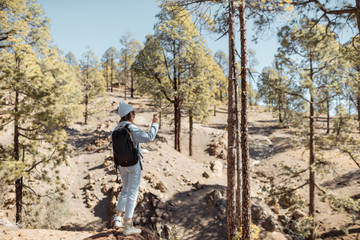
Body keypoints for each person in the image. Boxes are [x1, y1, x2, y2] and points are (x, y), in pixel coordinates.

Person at [110, 101, 159, 235]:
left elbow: (112, 142)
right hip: (133, 164)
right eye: (133, 113)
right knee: (133, 192)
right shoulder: (131, 127)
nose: (135, 115)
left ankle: (117, 218)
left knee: (125, 190)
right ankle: (128, 225)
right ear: (128, 114)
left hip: (121, 165)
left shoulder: (116, 129)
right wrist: (155, 123)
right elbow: (149, 137)